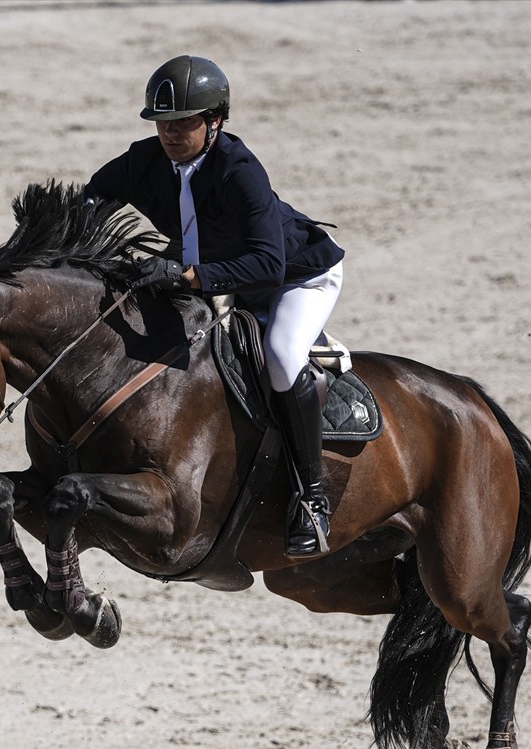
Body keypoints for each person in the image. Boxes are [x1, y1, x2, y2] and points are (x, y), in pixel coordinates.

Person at [84, 55, 346, 557]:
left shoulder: (241, 171)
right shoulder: (146, 160)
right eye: (163, 122)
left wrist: (186, 275)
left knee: (281, 355)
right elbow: (93, 196)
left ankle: (312, 501)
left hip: (297, 278)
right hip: (228, 277)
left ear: (216, 120)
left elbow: (268, 264)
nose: (170, 134)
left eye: (183, 122)